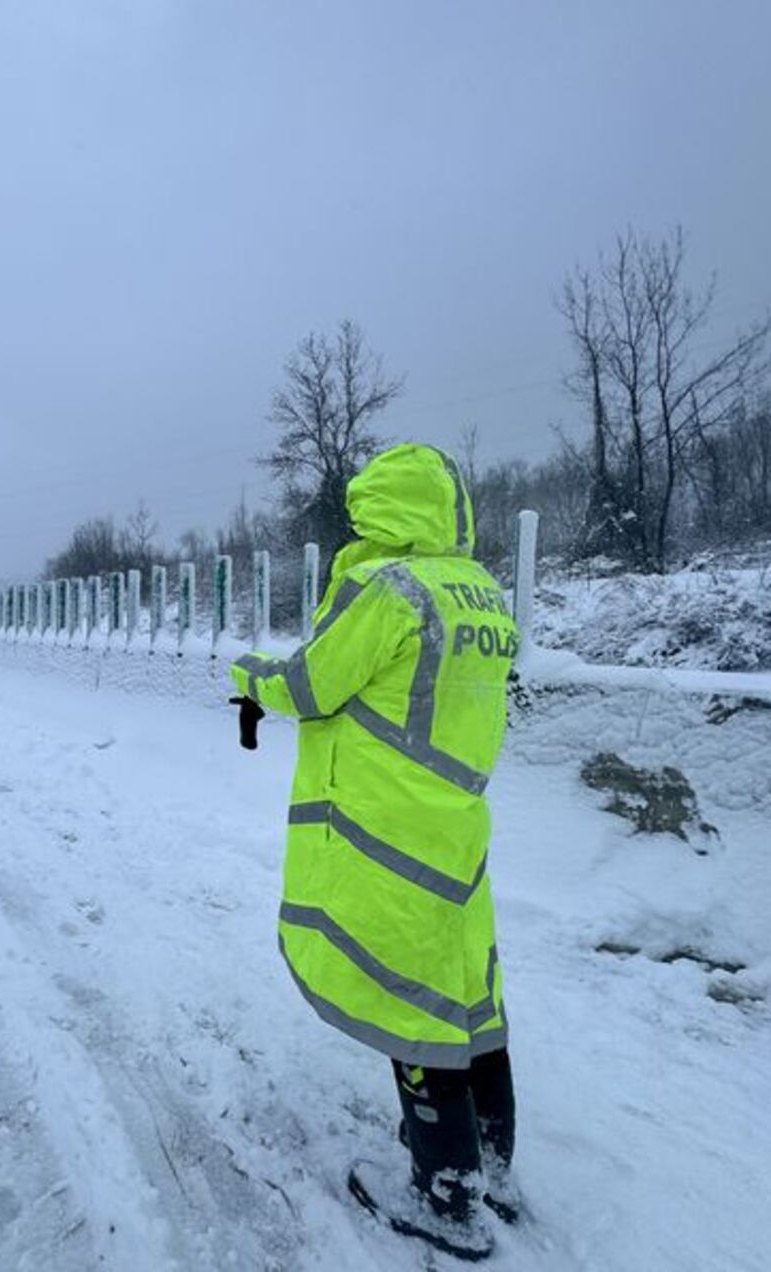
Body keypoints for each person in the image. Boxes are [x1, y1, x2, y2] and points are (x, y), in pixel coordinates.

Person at [229, 443, 519, 1258]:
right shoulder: (484, 593)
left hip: (387, 829)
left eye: (364, 511)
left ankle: (448, 1195)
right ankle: (494, 1165)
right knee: (469, 997)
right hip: (456, 824)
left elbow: (312, 686)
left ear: (387, 510)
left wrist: (248, 672)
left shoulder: (394, 590)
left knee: (411, 1007)